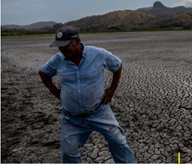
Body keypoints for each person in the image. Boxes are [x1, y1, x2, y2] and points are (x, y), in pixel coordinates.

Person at [39, 25, 135, 163]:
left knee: (119, 142)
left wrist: (112, 89)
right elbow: (43, 73)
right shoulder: (58, 59)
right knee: (68, 153)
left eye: (65, 46)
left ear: (78, 41)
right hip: (71, 118)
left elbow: (117, 65)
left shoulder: (98, 54)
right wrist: (56, 92)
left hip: (99, 111)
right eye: (59, 47)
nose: (62, 50)